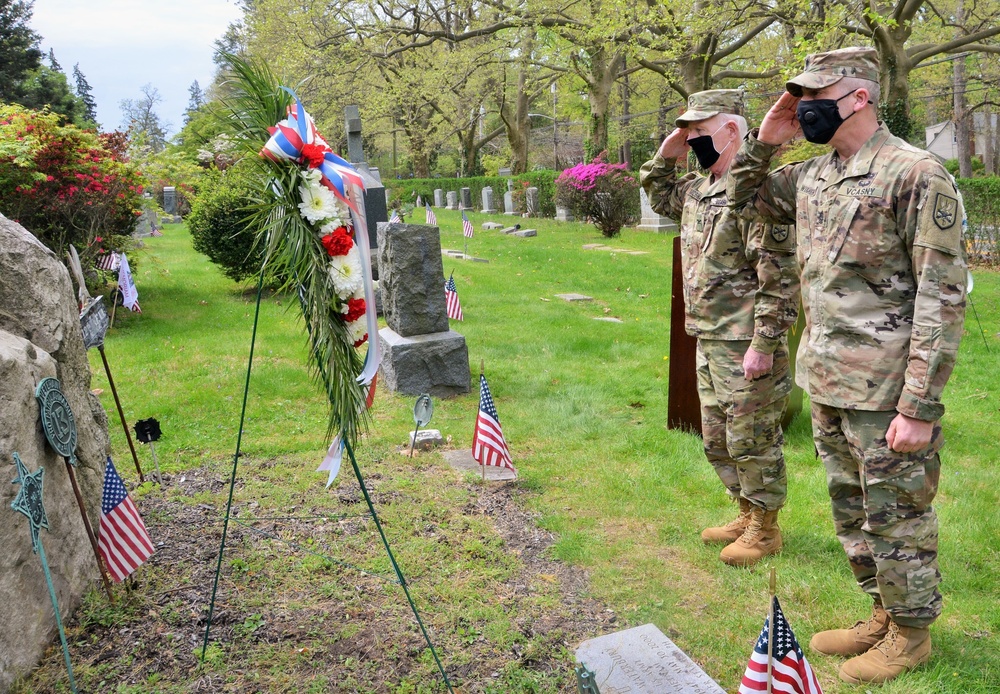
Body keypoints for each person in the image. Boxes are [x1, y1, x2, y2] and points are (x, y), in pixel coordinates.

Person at [727, 47, 967, 684]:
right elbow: (733, 198)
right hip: (827, 378)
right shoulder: (813, 176)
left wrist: (919, 405)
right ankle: (883, 613)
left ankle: (912, 636)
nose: (803, 106)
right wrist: (767, 138)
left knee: (898, 514)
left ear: (858, 96)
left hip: (887, 387)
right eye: (797, 96)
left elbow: (942, 298)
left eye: (814, 94)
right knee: (852, 512)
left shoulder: (914, 173)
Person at [639, 90, 799, 567]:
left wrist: (764, 344)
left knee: (752, 436)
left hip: (745, 338)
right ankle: (746, 510)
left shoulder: (755, 193)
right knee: (716, 439)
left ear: (732, 132)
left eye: (699, 131)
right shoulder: (698, 188)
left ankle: (765, 528)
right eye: (686, 131)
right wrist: (667, 152)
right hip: (709, 335)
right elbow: (657, 190)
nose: (690, 140)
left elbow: (779, 277)